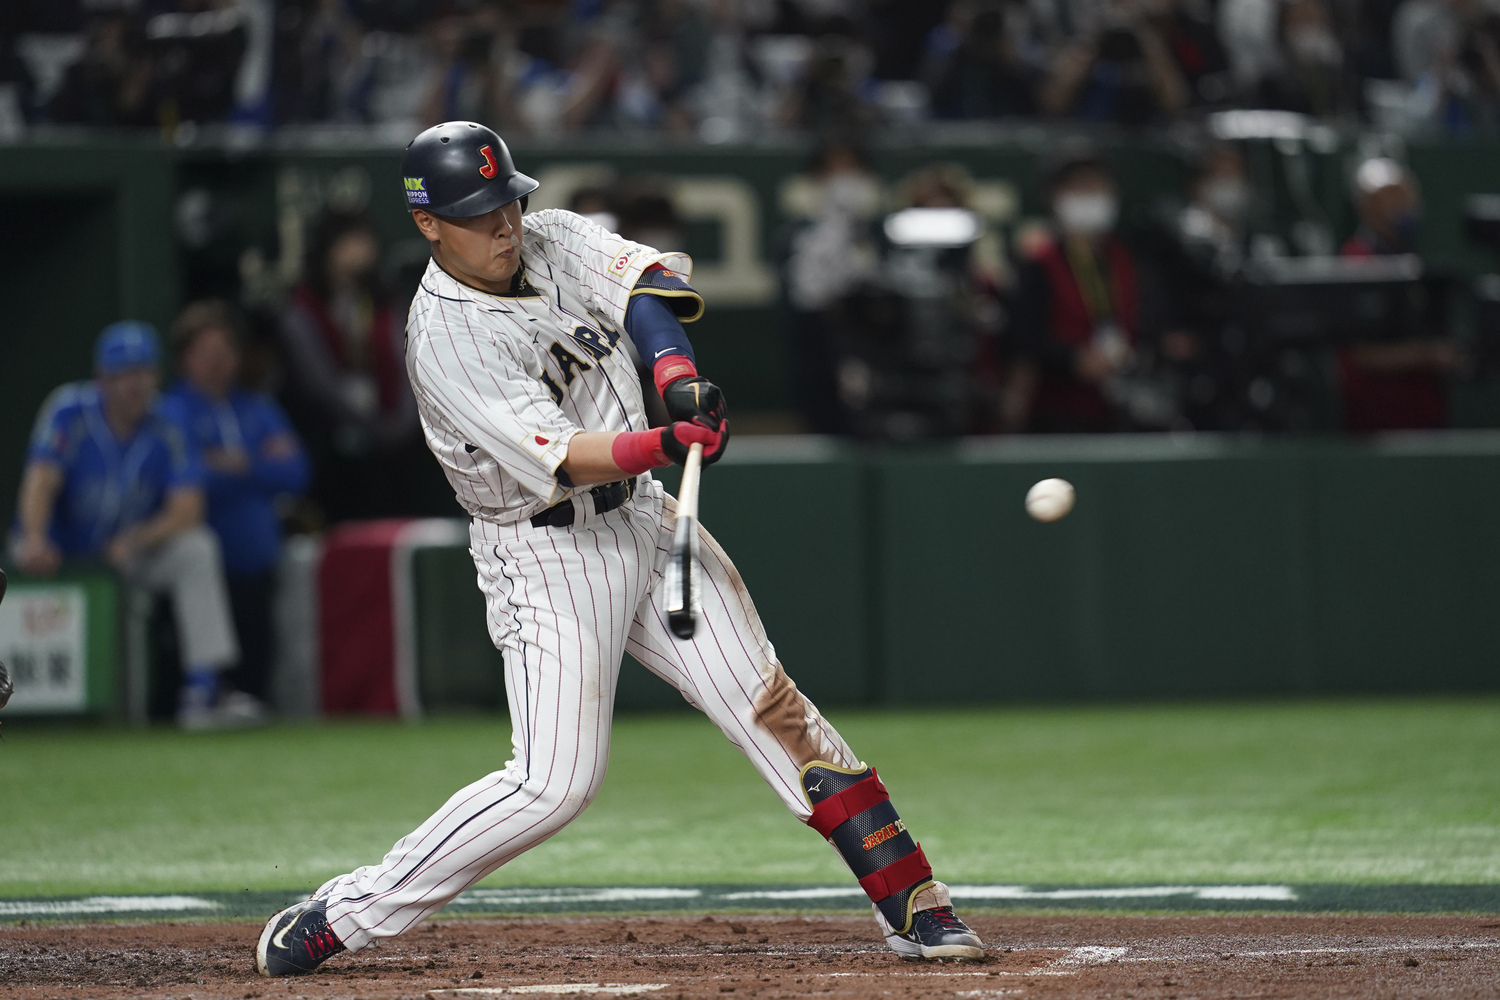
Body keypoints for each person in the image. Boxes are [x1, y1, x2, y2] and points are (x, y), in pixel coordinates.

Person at [254, 121, 985, 977]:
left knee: (769, 704)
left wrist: (677, 378)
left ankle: (913, 902)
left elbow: (644, 288)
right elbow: (562, 456)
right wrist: (662, 440)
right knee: (555, 783)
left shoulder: (550, 234)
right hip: (546, 553)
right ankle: (349, 912)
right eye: (478, 212)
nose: (503, 224)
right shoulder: (445, 337)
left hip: (641, 516)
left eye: (506, 202)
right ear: (427, 224)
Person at [11, 321, 243, 729]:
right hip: (57, 550)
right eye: (124, 375)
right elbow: (41, 480)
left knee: (197, 547)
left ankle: (203, 692)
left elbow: (188, 508)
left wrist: (136, 539)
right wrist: (34, 537)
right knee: (19, 567)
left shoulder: (169, 420)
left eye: (144, 373)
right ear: (103, 378)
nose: (135, 386)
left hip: (125, 551)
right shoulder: (70, 410)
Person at [162, 300, 310, 710]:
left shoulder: (258, 409)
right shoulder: (171, 412)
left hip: (259, 571)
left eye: (225, 351)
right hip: (205, 572)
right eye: (205, 353)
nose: (217, 362)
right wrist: (255, 464)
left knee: (258, 685)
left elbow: (295, 472)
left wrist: (238, 464)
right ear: (184, 359)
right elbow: (188, 477)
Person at [277, 210, 433, 521]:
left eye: (365, 241)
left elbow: (407, 365)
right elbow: (320, 384)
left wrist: (400, 425)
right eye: (349, 242)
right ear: (327, 250)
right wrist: (368, 425)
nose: (359, 251)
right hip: (335, 440)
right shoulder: (302, 309)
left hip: (394, 438)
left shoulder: (385, 304)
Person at [1008, 147, 1143, 432]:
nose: (1090, 194)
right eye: (1079, 187)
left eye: (1097, 185)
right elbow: (1024, 338)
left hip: (1122, 409)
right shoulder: (1039, 260)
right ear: (1055, 196)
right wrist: (1074, 359)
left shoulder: (1124, 257)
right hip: (1057, 414)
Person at [1336, 157, 1457, 432]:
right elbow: (1361, 355)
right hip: (1376, 426)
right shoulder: (1355, 262)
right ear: (1366, 207)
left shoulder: (1410, 260)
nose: (1403, 206)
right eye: (1391, 198)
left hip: (1427, 420)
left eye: (1407, 196)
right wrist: (1427, 355)